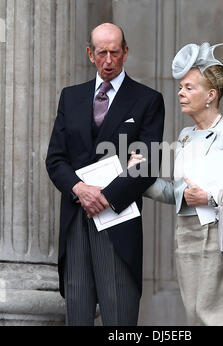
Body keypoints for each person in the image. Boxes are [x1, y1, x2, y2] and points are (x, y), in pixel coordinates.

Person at [130, 42, 223, 325]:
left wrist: (210, 197)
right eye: (180, 87)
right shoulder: (186, 135)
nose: (180, 93)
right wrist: (139, 177)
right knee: (195, 316)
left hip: (220, 232)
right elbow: (177, 193)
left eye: (189, 87)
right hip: (186, 234)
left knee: (217, 317)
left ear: (211, 95)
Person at [45, 23, 165, 326]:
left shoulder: (147, 99)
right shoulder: (70, 97)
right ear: (90, 54)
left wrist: (104, 197)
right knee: (77, 314)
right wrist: (79, 189)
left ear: (125, 52)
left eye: (114, 52)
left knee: (119, 320)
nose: (108, 60)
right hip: (75, 219)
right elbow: (56, 158)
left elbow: (147, 164)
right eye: (101, 53)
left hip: (118, 220)